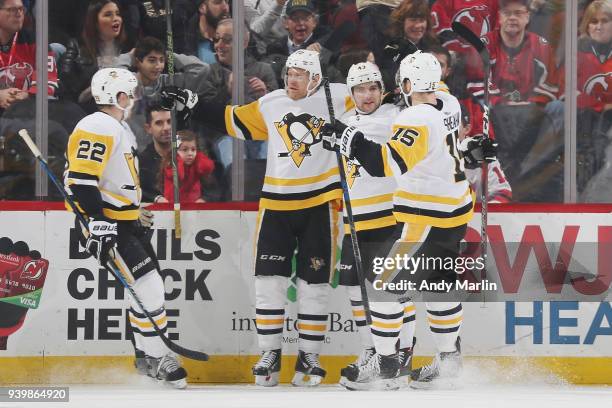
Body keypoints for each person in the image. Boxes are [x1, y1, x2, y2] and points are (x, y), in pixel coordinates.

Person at [162, 49, 355, 387]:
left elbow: (375, 105)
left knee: (315, 285)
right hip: (276, 203)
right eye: (289, 73)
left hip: (321, 203)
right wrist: (192, 103)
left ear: (316, 78)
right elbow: (232, 119)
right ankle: (270, 353)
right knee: (269, 281)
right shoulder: (272, 103)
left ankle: (309, 356)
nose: (291, 79)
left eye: (299, 74)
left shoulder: (338, 97)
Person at [322, 51, 495, 389]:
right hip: (455, 209)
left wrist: (348, 138)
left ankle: (386, 363)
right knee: (438, 284)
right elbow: (449, 148)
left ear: (405, 83)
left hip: (427, 216)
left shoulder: (415, 118)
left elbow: (386, 164)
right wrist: (474, 146)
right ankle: (448, 361)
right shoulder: (448, 103)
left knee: (384, 287)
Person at [63, 68, 188, 388]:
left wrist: (134, 209)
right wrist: (99, 223)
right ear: (119, 97)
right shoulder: (97, 124)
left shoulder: (118, 128)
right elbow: (81, 180)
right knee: (149, 288)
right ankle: (160, 357)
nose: (133, 99)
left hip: (121, 222)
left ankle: (146, 357)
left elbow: (116, 180)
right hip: (107, 224)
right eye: (130, 94)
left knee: (146, 288)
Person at [334, 61, 416, 390]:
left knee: (393, 291)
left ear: (383, 90)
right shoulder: (342, 121)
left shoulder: (395, 117)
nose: (366, 95)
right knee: (357, 291)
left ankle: (400, 357)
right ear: (350, 93)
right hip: (355, 220)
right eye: (359, 89)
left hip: (391, 218)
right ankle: (373, 352)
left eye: (372, 88)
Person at [116, 36, 210, 151]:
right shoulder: (128, 82)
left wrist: (169, 55)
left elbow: (202, 69)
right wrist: (129, 56)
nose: (158, 66)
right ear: (138, 62)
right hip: (131, 148)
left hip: (165, 151)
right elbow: (111, 74)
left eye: (161, 60)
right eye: (152, 60)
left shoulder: (169, 83)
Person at [59, 0, 130, 111]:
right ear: (95, 22)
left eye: (117, 14)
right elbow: (69, 91)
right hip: (89, 110)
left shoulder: (127, 48)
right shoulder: (77, 47)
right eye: (108, 15)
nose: (116, 18)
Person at [0, 0, 58, 110]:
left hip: (29, 110)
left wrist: (28, 95)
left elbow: (48, 80)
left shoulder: (36, 41)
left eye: (21, 9)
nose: (19, 14)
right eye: (12, 10)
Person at [162, 130, 215, 203]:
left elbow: (208, 168)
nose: (190, 153)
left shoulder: (196, 163)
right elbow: (178, 176)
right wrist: (177, 159)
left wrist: (199, 157)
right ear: (175, 151)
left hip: (194, 206)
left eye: (193, 149)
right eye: (185, 150)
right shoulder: (170, 164)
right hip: (173, 206)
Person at [139, 102, 172, 204]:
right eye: (159, 123)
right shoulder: (141, 162)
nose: (166, 128)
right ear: (148, 128)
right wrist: (155, 198)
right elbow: (137, 190)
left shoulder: (191, 153)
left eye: (169, 121)